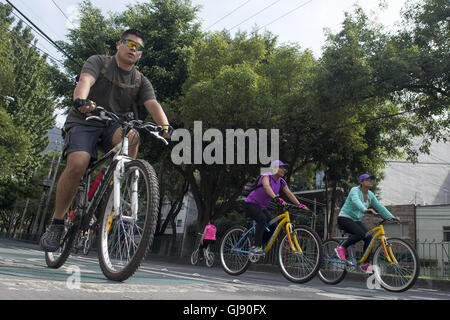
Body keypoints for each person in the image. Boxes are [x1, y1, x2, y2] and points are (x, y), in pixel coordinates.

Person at [40, 29, 171, 252]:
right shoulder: (99, 62)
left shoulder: (140, 80)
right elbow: (85, 81)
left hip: (112, 125)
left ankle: (119, 179)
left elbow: (153, 104)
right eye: (129, 43)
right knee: (79, 162)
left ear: (140, 54)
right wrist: (81, 99)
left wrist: (166, 126)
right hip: (86, 119)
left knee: (133, 135)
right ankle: (57, 222)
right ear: (119, 44)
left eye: (138, 47)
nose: (133, 49)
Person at [334, 174, 400, 273]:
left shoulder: (370, 195)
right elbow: (356, 201)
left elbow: (379, 206)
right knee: (360, 234)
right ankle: (341, 247)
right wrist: (365, 210)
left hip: (355, 220)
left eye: (372, 180)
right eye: (368, 180)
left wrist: (391, 217)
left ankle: (365, 263)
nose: (371, 182)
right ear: (361, 182)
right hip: (344, 218)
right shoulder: (354, 190)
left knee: (369, 237)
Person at [244, 160, 309, 255]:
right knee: (262, 219)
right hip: (251, 204)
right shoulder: (266, 175)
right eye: (281, 167)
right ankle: (256, 246)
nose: (283, 170)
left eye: (284, 168)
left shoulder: (281, 181)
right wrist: (276, 198)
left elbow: (289, 193)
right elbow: (266, 186)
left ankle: (260, 245)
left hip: (262, 207)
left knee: (274, 226)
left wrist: (299, 204)